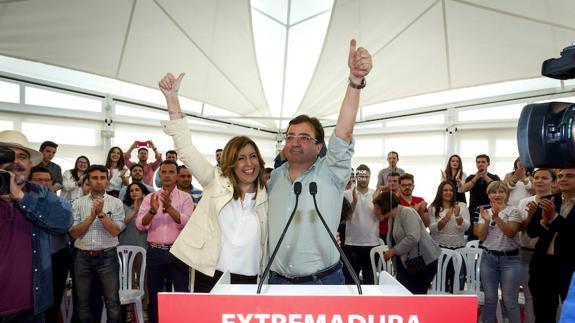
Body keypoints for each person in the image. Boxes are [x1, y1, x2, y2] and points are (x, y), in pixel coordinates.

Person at [267, 39, 372, 285]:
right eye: (290, 136)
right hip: (275, 282)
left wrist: (355, 82)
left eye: (304, 137)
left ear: (319, 146)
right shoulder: (272, 180)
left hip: (323, 283)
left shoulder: (331, 173)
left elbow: (343, 134)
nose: (294, 142)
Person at [158, 72, 268, 294]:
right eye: (241, 158)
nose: (249, 163)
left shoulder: (270, 194)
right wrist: (172, 98)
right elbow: (186, 149)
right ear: (230, 162)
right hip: (210, 275)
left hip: (252, 281)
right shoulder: (215, 180)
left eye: (253, 156)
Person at [0, 130, 72, 323]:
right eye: (8, 154)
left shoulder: (40, 194)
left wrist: (21, 198)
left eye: (23, 156)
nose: (16, 162)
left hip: (31, 307)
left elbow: (63, 223)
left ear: (30, 165)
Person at [136, 160, 193, 323]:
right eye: (164, 172)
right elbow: (140, 225)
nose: (167, 175)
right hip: (155, 251)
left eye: (171, 172)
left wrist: (169, 207)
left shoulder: (186, 198)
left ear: (177, 176)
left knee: (182, 294)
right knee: (154, 296)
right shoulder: (149, 198)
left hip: (178, 252)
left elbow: (187, 222)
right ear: (160, 175)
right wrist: (153, 211)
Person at [69, 165, 125, 323]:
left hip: (107, 256)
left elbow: (115, 231)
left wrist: (100, 214)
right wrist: (91, 217)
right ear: (88, 180)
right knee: (82, 303)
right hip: (82, 257)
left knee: (112, 302)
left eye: (102, 178)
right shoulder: (77, 203)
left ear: (107, 180)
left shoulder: (116, 203)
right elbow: (73, 233)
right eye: (94, 178)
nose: (99, 181)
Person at [527, 168, 575, 323]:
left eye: (569, 176)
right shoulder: (548, 199)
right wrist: (543, 222)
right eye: (560, 176)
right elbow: (531, 232)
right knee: (543, 315)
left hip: (570, 267)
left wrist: (554, 217)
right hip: (543, 266)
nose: (563, 179)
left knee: (571, 315)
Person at [28, 166, 74, 323]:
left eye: (47, 180)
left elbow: (64, 227)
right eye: (38, 179)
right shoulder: (22, 202)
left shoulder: (62, 203)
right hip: (32, 259)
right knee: (32, 301)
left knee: (54, 299)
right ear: (29, 181)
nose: (43, 183)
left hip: (57, 257)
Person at [374, 190, 441, 294]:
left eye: (377, 208)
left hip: (423, 263)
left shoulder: (406, 212)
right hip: (408, 265)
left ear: (385, 205)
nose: (375, 210)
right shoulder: (392, 218)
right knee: (405, 296)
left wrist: (392, 251)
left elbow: (413, 237)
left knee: (415, 297)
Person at [476, 181, 522, 323]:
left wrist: (496, 218)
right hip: (488, 258)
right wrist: (486, 221)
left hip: (510, 259)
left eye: (501, 191)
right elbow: (481, 237)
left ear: (506, 194)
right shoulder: (484, 211)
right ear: (488, 195)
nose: (497, 195)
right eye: (493, 192)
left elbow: (510, 233)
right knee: (490, 299)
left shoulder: (514, 211)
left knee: (510, 300)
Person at [517, 168, 556, 323]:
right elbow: (522, 229)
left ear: (553, 182)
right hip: (525, 252)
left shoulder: (556, 201)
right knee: (530, 296)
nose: (539, 180)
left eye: (544, 178)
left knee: (550, 300)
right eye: (537, 177)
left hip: (548, 257)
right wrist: (531, 217)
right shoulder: (525, 202)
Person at [428, 180, 470, 293]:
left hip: (458, 249)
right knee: (441, 283)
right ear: (440, 192)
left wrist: (457, 216)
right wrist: (445, 218)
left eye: (451, 190)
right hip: (440, 251)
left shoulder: (462, 206)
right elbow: (433, 229)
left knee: (457, 283)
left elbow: (466, 227)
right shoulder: (433, 207)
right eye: (445, 190)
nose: (448, 192)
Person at [342, 164, 379, 284]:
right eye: (361, 176)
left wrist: (375, 201)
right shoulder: (347, 194)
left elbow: (380, 217)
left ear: (370, 177)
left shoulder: (376, 194)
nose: (363, 179)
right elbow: (346, 218)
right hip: (352, 244)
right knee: (351, 281)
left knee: (370, 281)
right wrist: (354, 202)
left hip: (372, 243)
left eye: (366, 176)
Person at [465, 154, 500, 240]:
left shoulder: (494, 177)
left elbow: (496, 189)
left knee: (489, 238)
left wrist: (485, 176)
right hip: (473, 212)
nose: (480, 164)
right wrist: (476, 177)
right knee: (472, 238)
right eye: (478, 162)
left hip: (491, 213)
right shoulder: (471, 177)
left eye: (483, 162)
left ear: (488, 164)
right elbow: (464, 189)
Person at [379, 172, 400, 242]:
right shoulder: (382, 196)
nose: (392, 183)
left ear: (399, 182)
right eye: (389, 181)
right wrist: (381, 188)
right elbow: (380, 215)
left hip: (400, 234)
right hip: (384, 233)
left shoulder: (404, 196)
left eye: (395, 181)